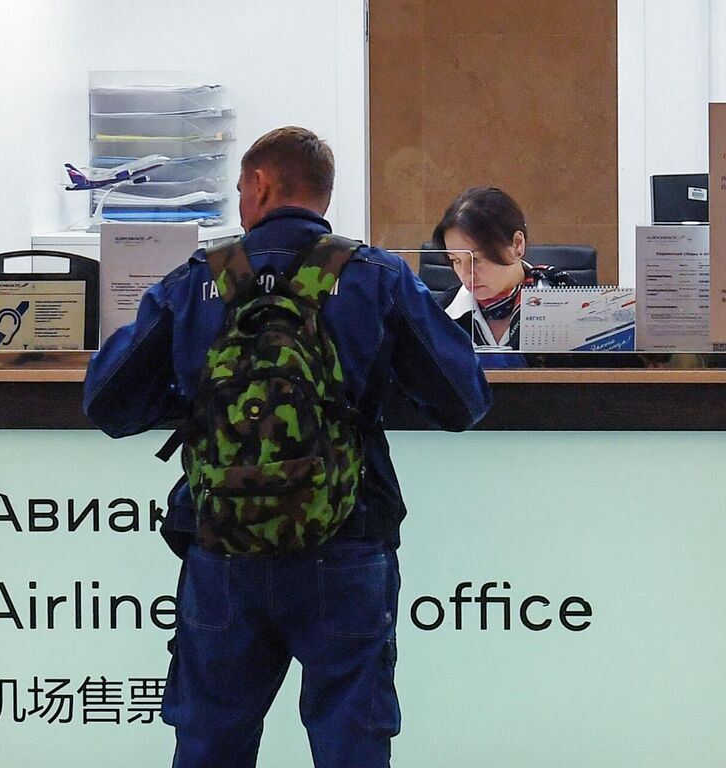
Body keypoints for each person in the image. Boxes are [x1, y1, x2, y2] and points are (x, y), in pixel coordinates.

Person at [82, 126, 491, 768]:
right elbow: (463, 400)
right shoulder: (375, 278)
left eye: (243, 187)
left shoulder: (199, 281)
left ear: (263, 185)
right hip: (346, 540)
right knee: (350, 747)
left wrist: (199, 397)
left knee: (212, 744)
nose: (241, 202)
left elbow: (106, 402)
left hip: (223, 552)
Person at [432, 186, 570, 352]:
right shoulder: (437, 315)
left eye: (475, 259)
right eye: (456, 260)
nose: (465, 274)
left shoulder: (567, 304)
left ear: (517, 245)